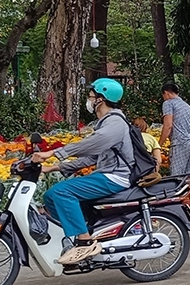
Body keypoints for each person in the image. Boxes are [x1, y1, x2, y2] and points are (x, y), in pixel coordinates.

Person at [32, 78, 134, 265]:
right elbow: (93, 158)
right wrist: (54, 167)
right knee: (49, 196)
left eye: (90, 96)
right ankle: (74, 235)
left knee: (61, 192)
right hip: (105, 173)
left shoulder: (115, 123)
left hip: (115, 177)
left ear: (100, 100)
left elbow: (93, 144)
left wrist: (54, 153)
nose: (88, 100)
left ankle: (84, 240)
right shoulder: (104, 122)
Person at [160, 82, 190, 213]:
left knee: (176, 178)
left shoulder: (168, 104)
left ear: (166, 93)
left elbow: (168, 125)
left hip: (180, 143)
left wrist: (159, 144)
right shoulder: (186, 106)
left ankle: (178, 209)